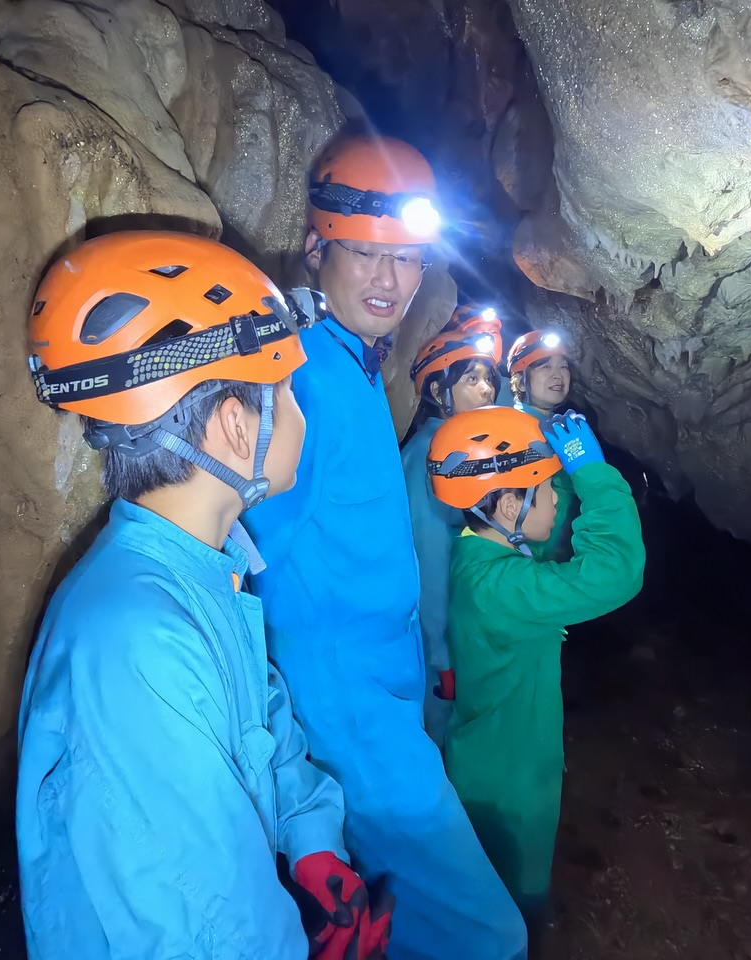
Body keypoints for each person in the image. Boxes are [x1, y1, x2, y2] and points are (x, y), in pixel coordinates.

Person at [17, 231, 391, 960]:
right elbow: (209, 926)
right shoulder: (135, 641)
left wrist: (310, 842)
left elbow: (261, 719)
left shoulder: (199, 572)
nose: (300, 414)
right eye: (284, 391)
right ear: (231, 423)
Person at [243, 135, 529, 960]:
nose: (391, 281)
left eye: (407, 260)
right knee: (487, 933)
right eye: (366, 255)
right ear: (315, 249)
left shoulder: (358, 366)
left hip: (386, 686)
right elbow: (250, 558)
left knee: (398, 916)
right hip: (343, 704)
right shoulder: (300, 377)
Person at [427, 405, 646, 944]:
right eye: (545, 490)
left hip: (498, 760)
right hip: (507, 785)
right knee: (508, 912)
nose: (555, 500)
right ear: (505, 504)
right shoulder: (503, 588)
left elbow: (540, 535)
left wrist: (564, 472)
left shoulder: (482, 555)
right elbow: (615, 573)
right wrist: (594, 476)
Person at [399, 308, 502, 748]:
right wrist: (441, 654)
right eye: (471, 379)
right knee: (442, 741)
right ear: (439, 389)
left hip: (459, 627)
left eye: (488, 378)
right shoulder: (434, 456)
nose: (486, 388)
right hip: (438, 639)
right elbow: (431, 556)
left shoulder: (458, 450)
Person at [506, 329, 580, 562]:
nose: (558, 376)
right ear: (520, 381)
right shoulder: (510, 435)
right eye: (545, 367)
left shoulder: (556, 430)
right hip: (534, 566)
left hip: (562, 561)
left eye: (563, 366)